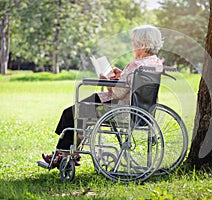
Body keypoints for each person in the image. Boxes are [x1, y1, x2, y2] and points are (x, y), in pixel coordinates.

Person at [42, 25, 164, 167]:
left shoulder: (135, 65)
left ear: (142, 45)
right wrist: (120, 76)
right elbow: (131, 84)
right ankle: (69, 153)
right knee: (80, 113)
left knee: (71, 113)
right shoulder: (154, 63)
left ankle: (62, 154)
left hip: (119, 109)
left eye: (133, 43)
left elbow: (118, 92)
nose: (132, 47)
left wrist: (105, 80)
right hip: (140, 109)